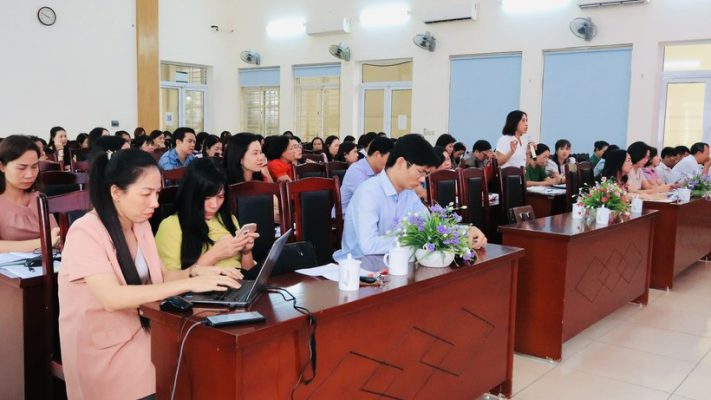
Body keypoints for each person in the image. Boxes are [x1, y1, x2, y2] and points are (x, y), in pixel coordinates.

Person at [58, 149, 242, 399]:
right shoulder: (85, 231)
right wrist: (192, 283)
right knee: (191, 370)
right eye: (146, 194)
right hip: (104, 347)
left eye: (157, 193)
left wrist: (198, 272)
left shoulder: (140, 224)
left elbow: (162, 276)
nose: (155, 203)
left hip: (144, 328)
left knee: (207, 361)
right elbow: (112, 298)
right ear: (116, 192)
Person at [335, 134, 487, 260]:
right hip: (359, 270)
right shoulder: (368, 192)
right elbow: (368, 245)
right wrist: (417, 239)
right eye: (420, 172)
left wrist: (464, 232)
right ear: (401, 162)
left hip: (396, 265)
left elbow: (429, 226)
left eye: (426, 174)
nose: (422, 180)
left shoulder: (408, 192)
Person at [156, 158, 258, 273]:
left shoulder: (228, 219)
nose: (214, 205)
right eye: (207, 198)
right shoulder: (171, 226)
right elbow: (170, 279)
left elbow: (248, 275)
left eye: (220, 197)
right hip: (203, 284)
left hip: (239, 282)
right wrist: (215, 254)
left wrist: (246, 252)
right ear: (191, 195)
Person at [0, 135, 59, 252]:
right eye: (21, 168)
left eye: (34, 167)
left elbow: (55, 236)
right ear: (2, 166)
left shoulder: (39, 197)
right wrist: (44, 242)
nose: (30, 175)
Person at [340, 137, 393, 216]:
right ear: (377, 155)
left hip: (364, 214)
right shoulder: (357, 171)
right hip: (346, 217)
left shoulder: (378, 171)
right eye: (389, 158)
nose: (390, 163)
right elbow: (370, 200)